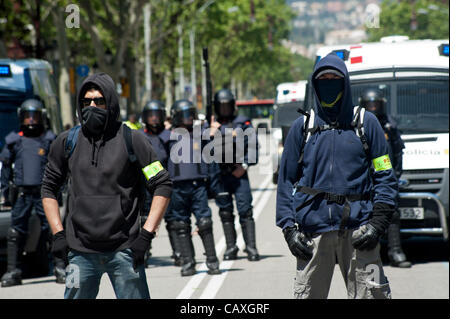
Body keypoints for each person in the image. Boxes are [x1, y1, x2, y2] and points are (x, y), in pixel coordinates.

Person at [276, 52, 398, 299]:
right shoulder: (302, 128)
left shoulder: (366, 123)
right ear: (315, 84)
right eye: (324, 79)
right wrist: (288, 229)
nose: (329, 83)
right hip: (312, 233)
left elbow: (385, 175)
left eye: (334, 78)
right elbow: (285, 181)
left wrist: (378, 224)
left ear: (345, 83)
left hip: (360, 232)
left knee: (373, 295)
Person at [41, 73, 172, 299]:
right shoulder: (66, 141)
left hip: (125, 251)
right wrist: (58, 234)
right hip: (79, 254)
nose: (92, 106)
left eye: (99, 101)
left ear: (110, 102)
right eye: (86, 101)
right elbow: (48, 188)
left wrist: (146, 235)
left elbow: (162, 184)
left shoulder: (133, 140)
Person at [0, 98, 65, 287]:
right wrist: (6, 192)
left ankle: (59, 267)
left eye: (34, 116)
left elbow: (60, 168)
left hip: (44, 194)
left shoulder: (49, 139)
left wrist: (58, 191)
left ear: (41, 117)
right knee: (15, 232)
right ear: (21, 117)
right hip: (22, 194)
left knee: (53, 229)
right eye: (27, 116)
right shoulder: (14, 140)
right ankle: (13, 271)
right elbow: (5, 170)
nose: (31, 120)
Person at [168, 99, 221, 276]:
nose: (188, 119)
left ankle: (212, 261)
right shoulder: (167, 136)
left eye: (190, 114)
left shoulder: (202, 134)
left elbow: (214, 156)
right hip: (176, 188)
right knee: (181, 224)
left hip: (198, 186)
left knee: (205, 223)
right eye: (184, 115)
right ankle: (188, 262)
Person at [360, 88, 411, 268]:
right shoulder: (359, 124)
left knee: (392, 213)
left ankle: (396, 252)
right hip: (364, 179)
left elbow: (397, 152)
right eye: (369, 105)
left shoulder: (389, 125)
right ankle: (368, 257)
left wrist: (393, 176)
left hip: (384, 173)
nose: (373, 108)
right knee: (364, 217)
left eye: (376, 104)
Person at [209, 89, 260, 261]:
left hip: (239, 173)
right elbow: (199, 150)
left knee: (245, 211)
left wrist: (244, 165)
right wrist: (209, 133)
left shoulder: (243, 122)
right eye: (220, 106)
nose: (224, 109)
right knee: (225, 212)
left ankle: (251, 247)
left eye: (227, 105)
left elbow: (253, 147)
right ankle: (231, 247)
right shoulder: (210, 125)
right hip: (220, 175)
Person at [141, 100, 181, 266]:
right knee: (144, 220)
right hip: (146, 186)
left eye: (157, 116)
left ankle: (179, 252)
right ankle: (143, 253)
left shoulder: (170, 136)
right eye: (150, 116)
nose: (154, 119)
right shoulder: (140, 137)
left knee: (173, 220)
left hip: (166, 184)